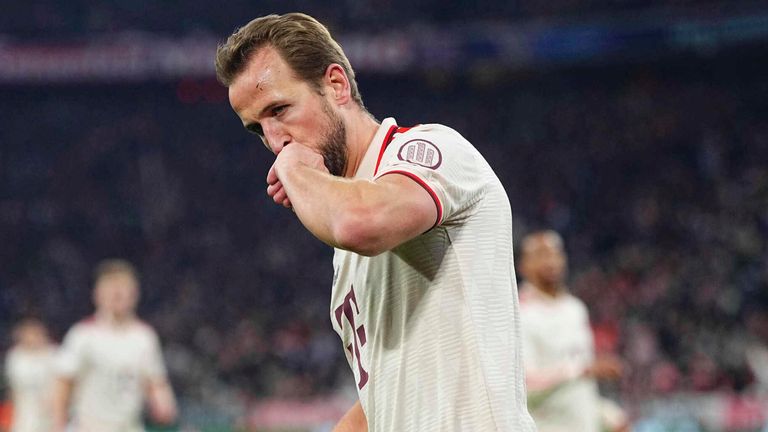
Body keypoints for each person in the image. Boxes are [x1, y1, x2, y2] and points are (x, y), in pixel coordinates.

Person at [215, 12, 536, 432]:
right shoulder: (344, 258)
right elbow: (384, 398)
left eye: (280, 109)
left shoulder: (431, 149)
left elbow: (359, 222)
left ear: (336, 84)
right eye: (257, 129)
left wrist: (297, 170)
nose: (276, 142)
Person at [518, 230, 629, 432]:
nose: (550, 261)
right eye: (541, 255)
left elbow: (582, 391)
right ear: (523, 266)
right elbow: (523, 386)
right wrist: (582, 370)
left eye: (555, 253)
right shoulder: (518, 313)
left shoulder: (575, 309)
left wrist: (608, 415)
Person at [51, 259, 177, 432]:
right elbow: (62, 385)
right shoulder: (83, 335)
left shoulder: (144, 337)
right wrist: (58, 426)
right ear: (97, 294)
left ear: (134, 294)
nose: (117, 294)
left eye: (123, 288)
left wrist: (163, 403)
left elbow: (155, 381)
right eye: (111, 288)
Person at [3, 318, 57, 432]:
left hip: (49, 408)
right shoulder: (15, 356)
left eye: (35, 334)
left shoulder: (53, 354)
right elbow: (14, 386)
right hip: (25, 408)